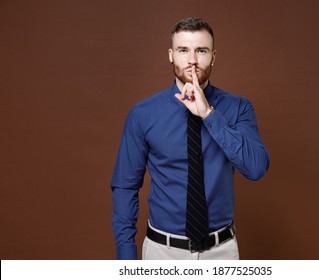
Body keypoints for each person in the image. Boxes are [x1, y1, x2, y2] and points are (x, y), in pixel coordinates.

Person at [110, 17, 270, 260]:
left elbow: (256, 168)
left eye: (201, 51)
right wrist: (126, 257)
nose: (192, 60)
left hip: (221, 253)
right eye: (183, 50)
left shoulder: (239, 108)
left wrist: (208, 114)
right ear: (171, 55)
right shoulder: (143, 114)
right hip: (161, 253)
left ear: (213, 56)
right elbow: (125, 185)